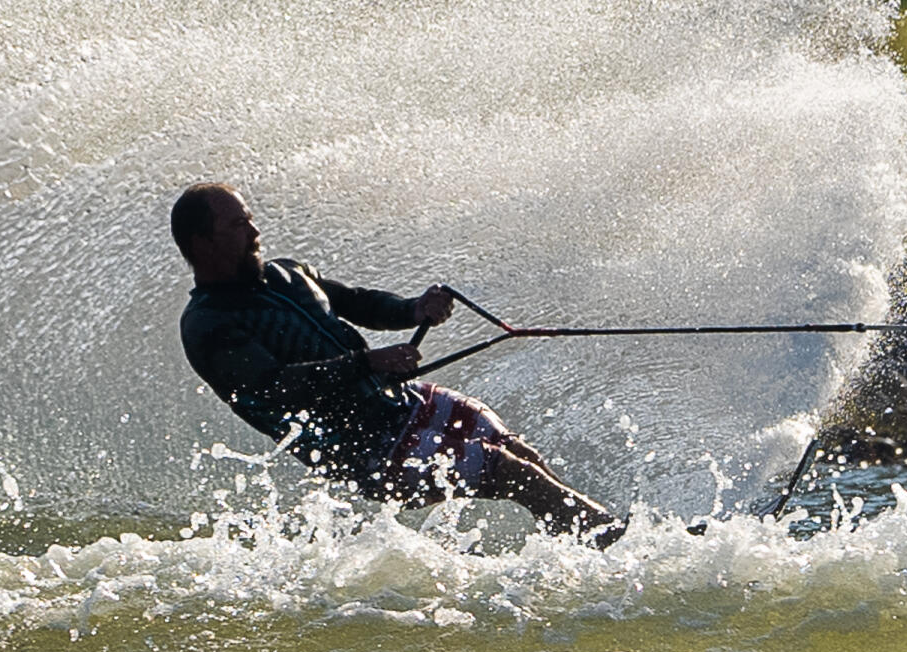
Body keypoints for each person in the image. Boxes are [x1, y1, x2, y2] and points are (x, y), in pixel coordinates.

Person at [171, 183, 624, 543]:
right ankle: (614, 541)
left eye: (249, 219)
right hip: (362, 449)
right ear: (202, 243)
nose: (254, 233)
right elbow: (272, 387)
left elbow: (354, 302)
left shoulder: (287, 273)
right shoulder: (208, 324)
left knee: (522, 455)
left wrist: (412, 310)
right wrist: (367, 364)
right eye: (237, 226)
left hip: (400, 401)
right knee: (510, 471)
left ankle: (585, 539)